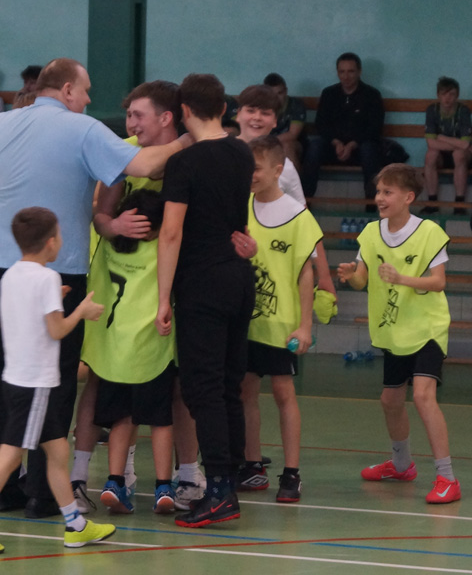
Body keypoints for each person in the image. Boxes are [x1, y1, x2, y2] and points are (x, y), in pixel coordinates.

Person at [0, 58, 186, 519]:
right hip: (56, 274)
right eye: (86, 90)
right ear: (68, 89)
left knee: (2, 380)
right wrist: (195, 136)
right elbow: (147, 162)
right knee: (53, 382)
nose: (89, 100)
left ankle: (2, 488)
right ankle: (42, 493)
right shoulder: (82, 129)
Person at [0, 207, 114, 554]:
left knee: (58, 451)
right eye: (60, 235)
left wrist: (55, 300)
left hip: (17, 379)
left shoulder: (11, 275)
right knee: (9, 458)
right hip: (35, 384)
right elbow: (57, 330)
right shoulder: (47, 279)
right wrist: (80, 312)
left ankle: (75, 525)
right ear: (51, 242)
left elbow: (29, 315)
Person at [80, 80, 205, 514]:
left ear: (167, 117)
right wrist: (113, 225)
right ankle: (110, 475)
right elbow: (100, 215)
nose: (130, 123)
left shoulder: (193, 156)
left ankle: (186, 475)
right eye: (129, 115)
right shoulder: (125, 152)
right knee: (110, 380)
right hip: (124, 288)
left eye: (138, 115)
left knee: (176, 388)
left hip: (172, 287)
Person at [155, 73, 255, 528]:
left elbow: (171, 231)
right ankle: (229, 479)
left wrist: (163, 297)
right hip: (238, 277)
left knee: (203, 387)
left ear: (184, 111)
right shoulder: (242, 152)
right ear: (224, 108)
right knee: (229, 383)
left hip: (202, 281)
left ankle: (217, 490)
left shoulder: (185, 163)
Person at [337, 163, 461, 505]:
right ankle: (402, 466)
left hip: (427, 328)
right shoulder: (370, 233)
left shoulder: (429, 232)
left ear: (408, 197)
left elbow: (439, 282)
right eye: (378, 191)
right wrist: (351, 275)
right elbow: (362, 280)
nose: (380, 197)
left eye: (388, 192)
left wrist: (401, 278)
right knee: (390, 400)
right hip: (393, 330)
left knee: (422, 396)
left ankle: (448, 478)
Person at [237, 135, 322, 503]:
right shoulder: (240, 207)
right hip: (245, 322)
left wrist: (305, 325)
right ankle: (253, 465)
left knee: (284, 393)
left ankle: (291, 472)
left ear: (278, 170)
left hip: (282, 324)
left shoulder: (297, 216)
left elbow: (305, 273)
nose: (251, 175)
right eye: (247, 168)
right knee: (246, 391)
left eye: (256, 168)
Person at [83, 189, 176, 515]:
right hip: (151, 349)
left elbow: (98, 218)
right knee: (161, 420)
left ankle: (114, 481)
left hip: (113, 351)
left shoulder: (106, 246)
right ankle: (164, 487)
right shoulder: (162, 250)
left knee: (121, 418)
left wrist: (110, 222)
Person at [235, 85, 338, 308]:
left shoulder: (285, 167)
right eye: (251, 110)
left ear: (275, 121)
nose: (257, 118)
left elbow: (304, 222)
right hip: (225, 263)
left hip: (268, 267)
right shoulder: (219, 154)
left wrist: (324, 276)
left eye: (265, 113)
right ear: (238, 114)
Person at [301, 52, 384, 203]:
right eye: (342, 72)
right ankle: (305, 202)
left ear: (359, 72)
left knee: (369, 150)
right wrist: (336, 142)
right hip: (332, 147)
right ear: (337, 72)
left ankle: (373, 204)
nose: (346, 76)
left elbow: (375, 127)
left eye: (351, 71)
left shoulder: (371, 95)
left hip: (359, 148)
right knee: (314, 147)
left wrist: (352, 144)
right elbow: (320, 124)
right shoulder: (329, 94)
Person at [422, 77, 471, 216]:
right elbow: (431, 143)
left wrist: (442, 138)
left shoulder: (463, 111)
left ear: (457, 96)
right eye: (444, 94)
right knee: (431, 155)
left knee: (459, 155)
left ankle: (459, 204)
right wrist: (457, 144)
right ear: (438, 95)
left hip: (462, 156)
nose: (447, 98)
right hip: (442, 156)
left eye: (451, 94)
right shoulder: (432, 110)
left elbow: (465, 144)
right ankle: (432, 202)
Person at [263, 73, 306, 171]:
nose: (277, 98)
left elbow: (292, 134)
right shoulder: (261, 107)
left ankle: (293, 181)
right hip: (267, 143)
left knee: (287, 145)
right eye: (272, 94)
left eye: (280, 93)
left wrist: (268, 142)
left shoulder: (296, 105)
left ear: (286, 91)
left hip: (294, 144)